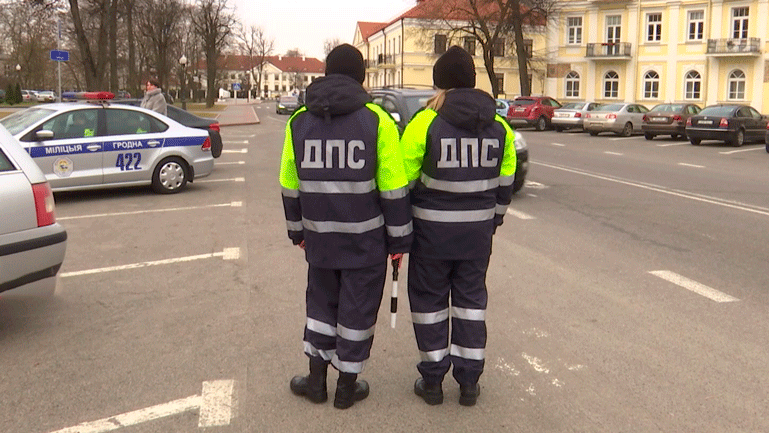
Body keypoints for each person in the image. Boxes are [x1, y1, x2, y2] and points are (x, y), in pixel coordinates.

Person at [279, 44, 412, 409]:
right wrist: (399, 240)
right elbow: (393, 186)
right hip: (365, 242)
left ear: (326, 73)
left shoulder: (299, 121)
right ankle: (346, 387)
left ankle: (316, 382)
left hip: (320, 240)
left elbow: (289, 182)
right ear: (361, 76)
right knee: (357, 310)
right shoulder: (377, 121)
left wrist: (298, 233)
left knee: (321, 305)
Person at [400, 46, 516, 407]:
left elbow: (400, 182)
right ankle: (468, 383)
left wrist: (399, 229)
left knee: (430, 303)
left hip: (430, 236)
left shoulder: (424, 122)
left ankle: (433, 382)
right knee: (470, 304)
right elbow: (506, 180)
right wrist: (492, 220)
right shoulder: (499, 125)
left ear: (440, 84)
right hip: (476, 237)